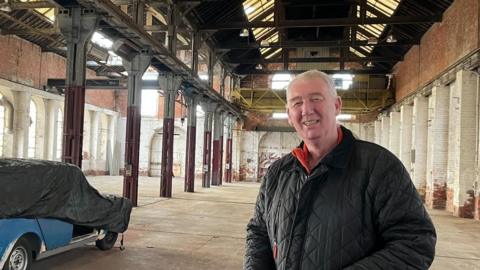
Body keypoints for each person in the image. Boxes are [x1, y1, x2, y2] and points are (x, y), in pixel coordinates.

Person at [243, 70, 436, 270]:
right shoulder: (278, 172)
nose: (307, 110)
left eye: (316, 98)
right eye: (297, 103)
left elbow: (416, 243)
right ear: (289, 115)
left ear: (336, 106)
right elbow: (259, 231)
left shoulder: (379, 167)